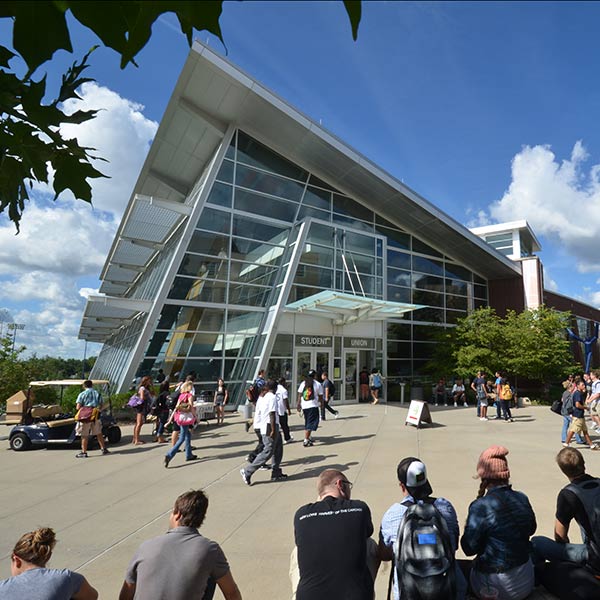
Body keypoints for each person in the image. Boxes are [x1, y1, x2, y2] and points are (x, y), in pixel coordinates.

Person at [118, 490, 242, 600]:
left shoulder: (146, 547)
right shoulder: (210, 550)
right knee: (211, 574)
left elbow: (126, 594)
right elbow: (231, 593)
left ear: (177, 514)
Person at [379, 457, 465, 600]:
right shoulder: (445, 507)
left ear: (402, 486)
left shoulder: (392, 514)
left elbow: (383, 554)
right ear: (425, 480)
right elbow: (453, 545)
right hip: (448, 592)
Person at [461, 445, 537, 600]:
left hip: (496, 588)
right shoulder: (522, 497)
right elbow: (531, 529)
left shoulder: (480, 506)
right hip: (526, 580)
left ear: (484, 477)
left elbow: (468, 548)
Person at [293, 469, 375, 600]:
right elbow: (367, 533)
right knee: (370, 544)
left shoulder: (301, 514)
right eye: (349, 485)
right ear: (340, 484)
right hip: (355, 595)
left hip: (309, 595)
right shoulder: (359, 508)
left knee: (297, 549)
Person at [531, 447, 600, 599]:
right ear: (584, 464)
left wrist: (565, 549)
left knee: (536, 543)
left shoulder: (569, 494)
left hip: (594, 558)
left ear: (564, 471)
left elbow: (560, 535)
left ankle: (536, 585)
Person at [0, 527, 98, 599]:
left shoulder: (2, 588)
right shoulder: (65, 578)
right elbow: (92, 596)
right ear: (48, 556)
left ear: (16, 560)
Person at [240, 379, 287, 485]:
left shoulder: (263, 396)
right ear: (275, 388)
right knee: (268, 451)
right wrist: (273, 430)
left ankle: (276, 472)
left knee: (278, 449)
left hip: (266, 425)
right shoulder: (271, 397)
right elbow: (272, 413)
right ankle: (247, 471)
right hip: (269, 426)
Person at [164, 381, 198, 467]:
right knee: (182, 437)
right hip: (186, 419)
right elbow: (191, 407)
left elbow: (176, 408)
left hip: (179, 418)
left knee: (187, 435)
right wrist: (196, 417)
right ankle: (169, 454)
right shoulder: (189, 396)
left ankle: (189, 454)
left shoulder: (181, 396)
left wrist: (169, 420)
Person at [75, 380, 109, 458]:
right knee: (98, 433)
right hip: (95, 415)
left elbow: (78, 407)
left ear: (84, 386)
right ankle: (103, 449)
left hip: (85, 416)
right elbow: (101, 405)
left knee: (84, 434)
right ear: (92, 385)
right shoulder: (97, 393)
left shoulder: (82, 394)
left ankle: (84, 452)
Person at [563, 377, 599, 450]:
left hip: (580, 415)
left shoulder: (579, 393)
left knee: (585, 431)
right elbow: (577, 405)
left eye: (584, 385)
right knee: (573, 430)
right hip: (577, 415)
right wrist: (586, 408)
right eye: (582, 385)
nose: (584, 386)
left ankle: (591, 445)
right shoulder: (577, 394)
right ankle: (566, 443)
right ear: (578, 386)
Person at [297, 370, 322, 447]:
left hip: (305, 406)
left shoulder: (303, 383)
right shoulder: (317, 384)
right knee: (311, 423)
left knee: (308, 421)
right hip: (313, 406)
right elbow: (320, 396)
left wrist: (298, 404)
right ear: (315, 376)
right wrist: (321, 404)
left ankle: (309, 436)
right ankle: (306, 440)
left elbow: (300, 394)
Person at [560, 380, 585, 445]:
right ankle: (578, 439)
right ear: (570, 387)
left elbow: (562, 400)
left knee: (565, 426)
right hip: (569, 412)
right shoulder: (571, 394)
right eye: (573, 386)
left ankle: (564, 438)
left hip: (564, 411)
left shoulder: (564, 393)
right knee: (575, 425)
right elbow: (571, 404)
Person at [133, 375, 154, 445]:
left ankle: (135, 438)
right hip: (141, 407)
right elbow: (142, 398)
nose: (150, 382)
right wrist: (146, 398)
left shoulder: (146, 388)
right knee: (139, 423)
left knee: (138, 423)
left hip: (142, 407)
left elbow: (153, 394)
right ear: (146, 381)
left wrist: (152, 387)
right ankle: (136, 440)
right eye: (149, 381)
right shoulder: (142, 388)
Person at [277, 377, 293, 444]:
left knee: (277, 425)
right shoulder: (283, 390)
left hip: (276, 410)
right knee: (284, 425)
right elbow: (285, 400)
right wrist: (288, 409)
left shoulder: (275, 388)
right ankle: (287, 438)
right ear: (283, 382)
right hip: (282, 410)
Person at [587, 369, 600, 433]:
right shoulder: (593, 383)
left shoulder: (598, 383)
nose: (590, 376)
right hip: (594, 402)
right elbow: (593, 393)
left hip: (598, 402)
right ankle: (598, 425)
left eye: (591, 375)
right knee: (594, 414)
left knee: (597, 414)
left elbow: (598, 394)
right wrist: (589, 399)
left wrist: (590, 400)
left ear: (595, 375)